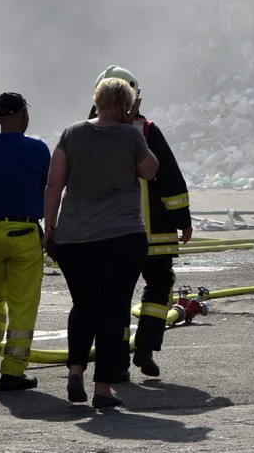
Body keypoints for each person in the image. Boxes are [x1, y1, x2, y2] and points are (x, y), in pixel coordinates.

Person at [44, 77, 159, 409]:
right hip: (121, 237)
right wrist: (131, 123)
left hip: (74, 237)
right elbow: (150, 170)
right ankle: (103, 388)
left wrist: (50, 228)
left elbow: (54, 185)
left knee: (83, 306)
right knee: (112, 310)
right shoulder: (129, 135)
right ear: (126, 104)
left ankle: (76, 370)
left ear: (96, 99)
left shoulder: (72, 133)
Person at [88, 66, 193, 382]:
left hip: (107, 233)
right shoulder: (147, 131)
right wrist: (182, 221)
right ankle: (145, 346)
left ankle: (117, 363)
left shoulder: (85, 132)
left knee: (114, 295)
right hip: (154, 232)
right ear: (134, 97)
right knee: (159, 283)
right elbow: (170, 179)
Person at [0, 93, 51, 391]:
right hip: (24, 232)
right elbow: (46, 182)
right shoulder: (38, 149)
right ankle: (13, 370)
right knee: (22, 303)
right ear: (22, 115)